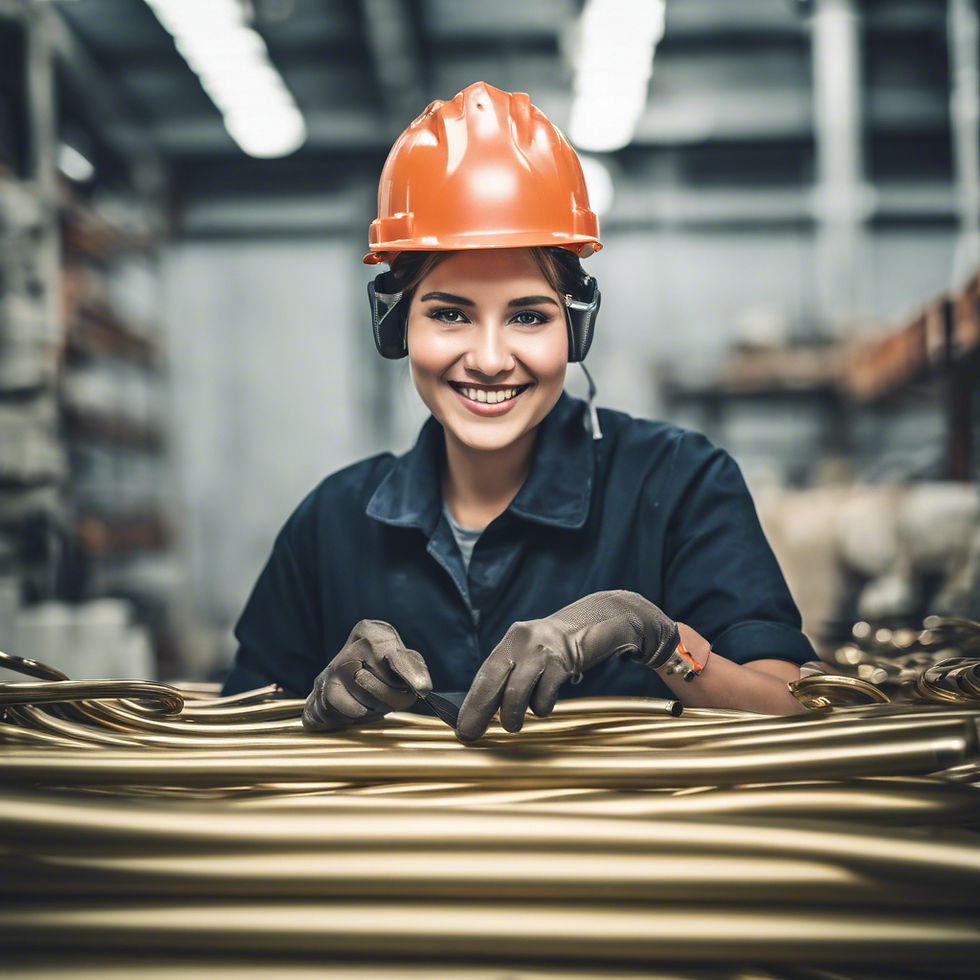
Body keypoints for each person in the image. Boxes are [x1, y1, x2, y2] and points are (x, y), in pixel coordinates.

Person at [223, 81, 816, 742]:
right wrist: (314, 714)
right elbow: (237, 743)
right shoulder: (331, 524)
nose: (488, 359)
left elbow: (794, 714)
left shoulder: (679, 483)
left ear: (577, 329)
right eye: (450, 314)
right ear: (394, 326)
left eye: (528, 316)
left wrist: (654, 637)